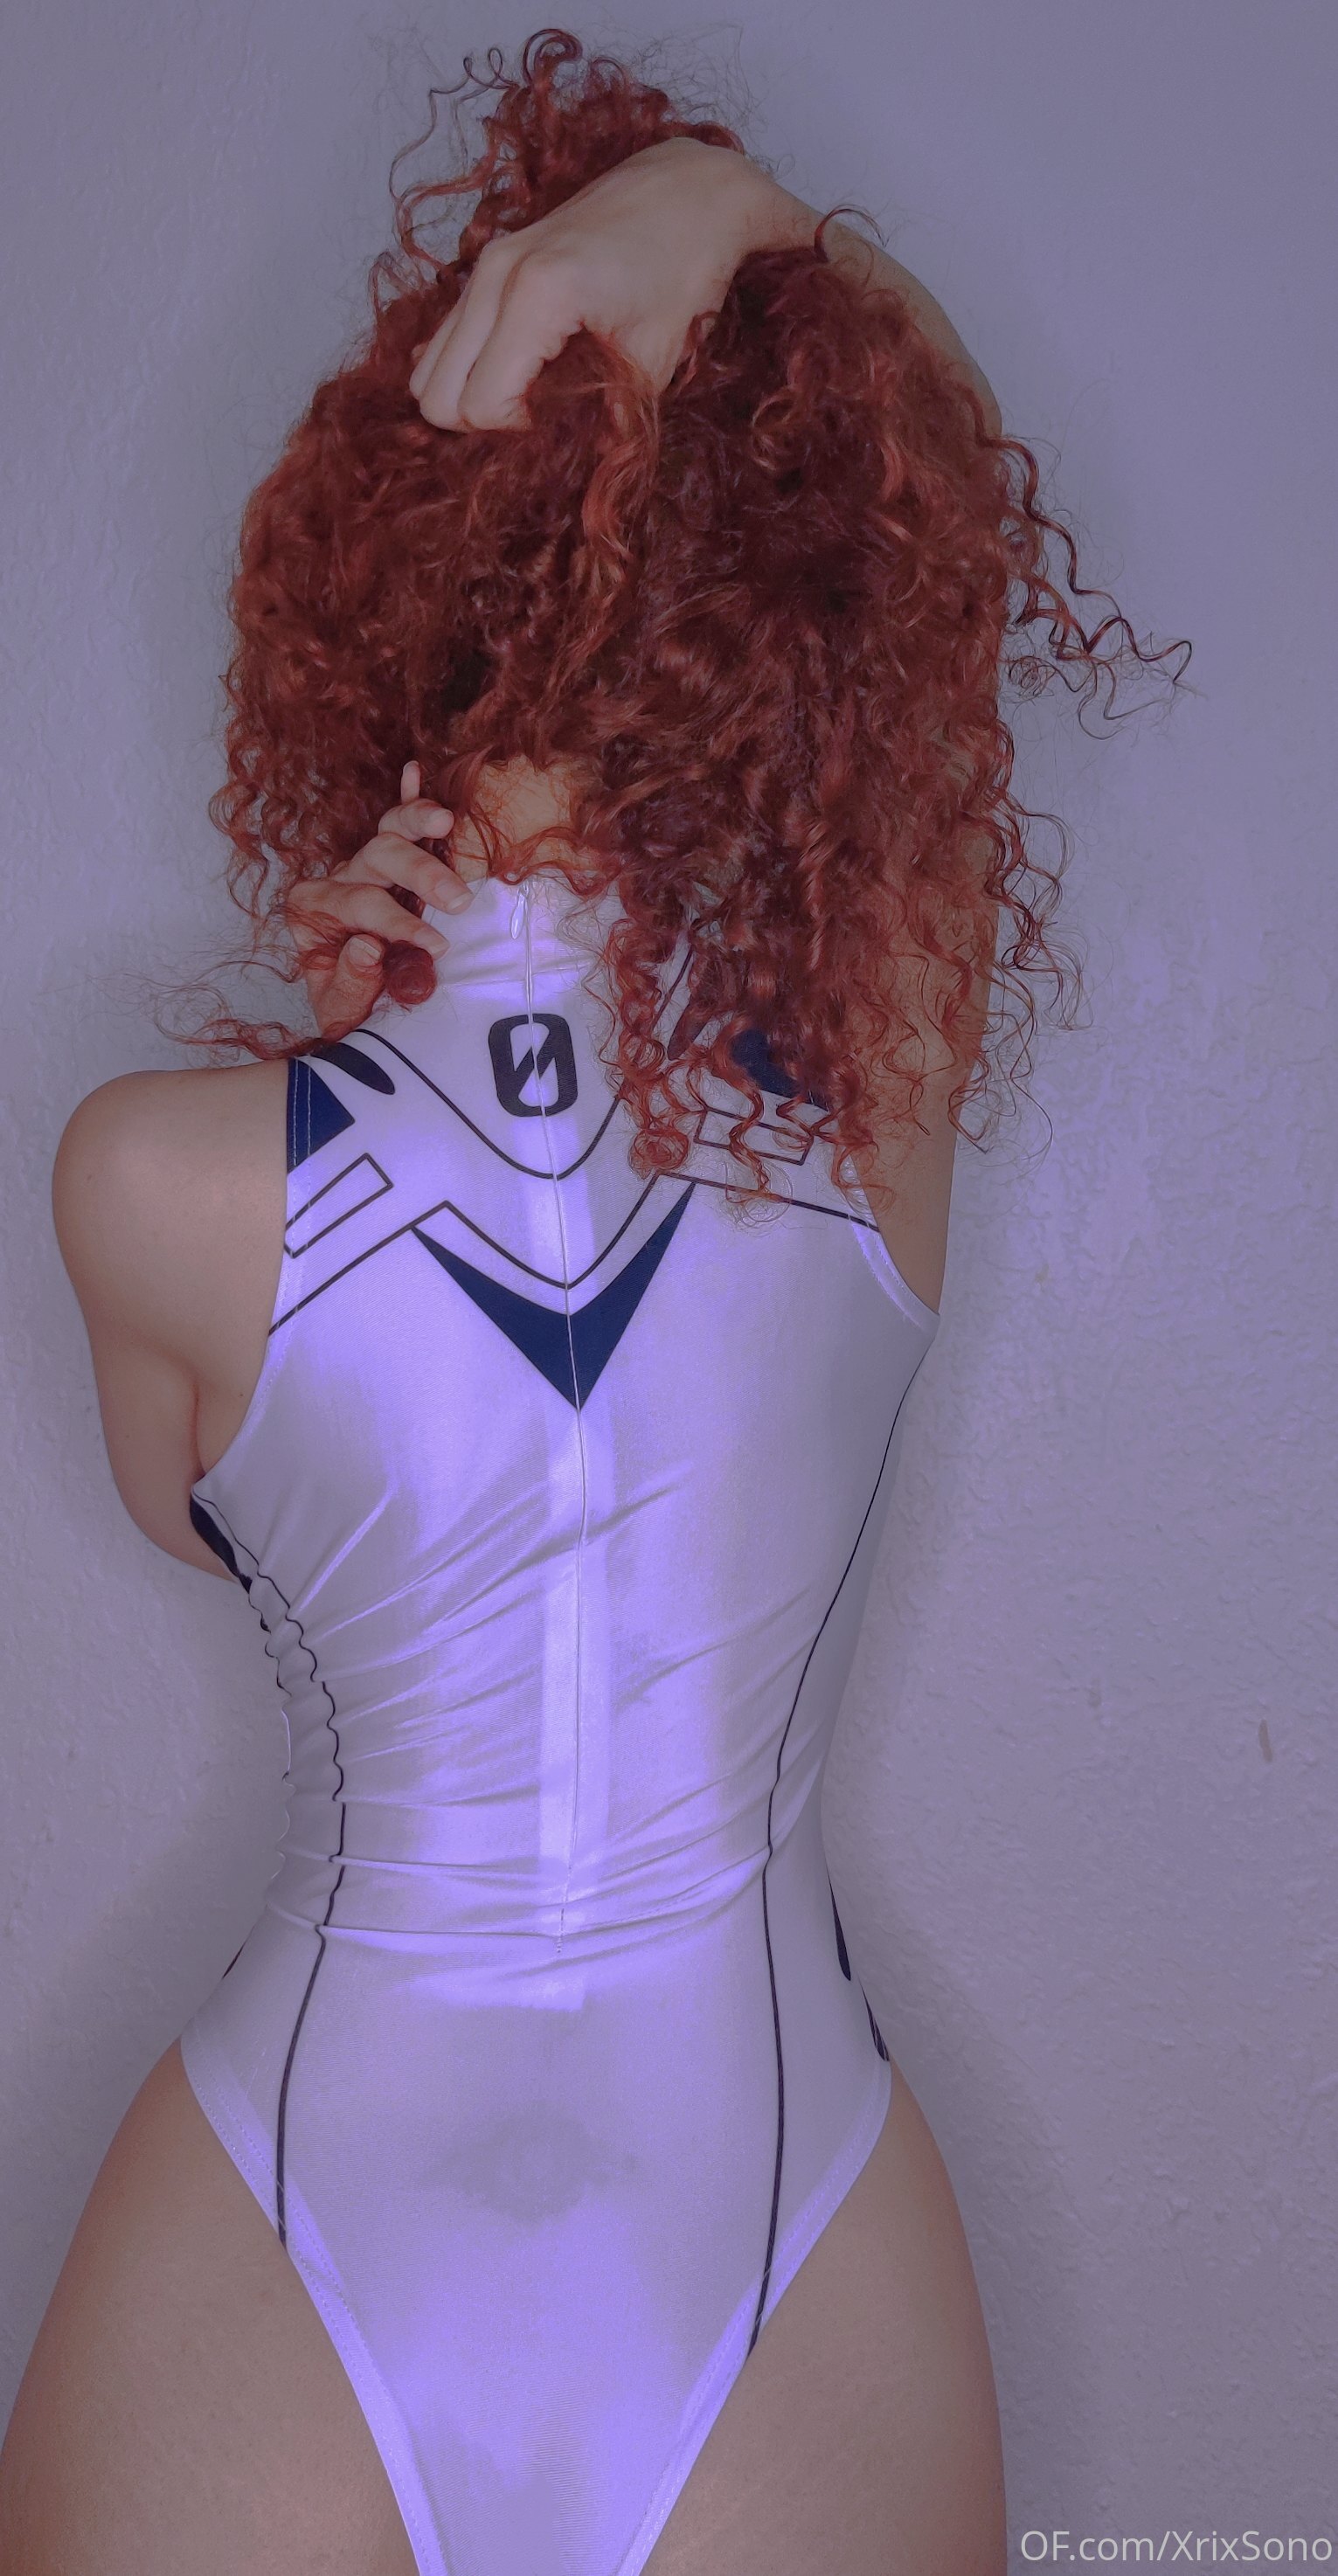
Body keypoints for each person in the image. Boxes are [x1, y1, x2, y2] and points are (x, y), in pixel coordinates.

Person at [0, 32, 1180, 2576]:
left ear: (380, 563)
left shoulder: (148, 1176)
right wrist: (741, 222)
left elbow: (200, 1519)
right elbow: (957, 537)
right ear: (803, 591)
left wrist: (329, 1070)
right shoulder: (864, 1093)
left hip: (279, 2212)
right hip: (776, 2212)